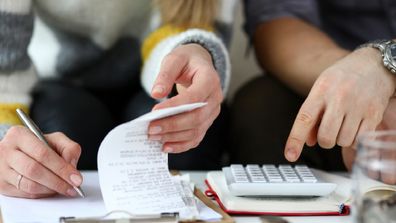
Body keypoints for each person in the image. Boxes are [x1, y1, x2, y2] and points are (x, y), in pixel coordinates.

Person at [0, 0, 234, 198]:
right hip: (62, 82)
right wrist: (5, 145)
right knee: (66, 131)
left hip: (159, 75)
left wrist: (196, 56)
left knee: (183, 142)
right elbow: (5, 64)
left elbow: (192, 26)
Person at [230, 0, 396, 172]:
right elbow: (279, 23)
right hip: (328, 64)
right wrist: (356, 84)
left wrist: (386, 74)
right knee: (263, 106)